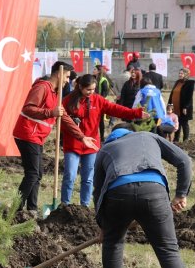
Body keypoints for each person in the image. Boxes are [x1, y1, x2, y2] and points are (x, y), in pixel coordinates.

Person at [92, 123, 195, 268]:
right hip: (154, 192)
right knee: (168, 250)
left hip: (117, 195)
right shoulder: (147, 136)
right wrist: (181, 194)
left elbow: (98, 192)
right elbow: (184, 160)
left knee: (113, 243)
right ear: (131, 132)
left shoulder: (105, 150)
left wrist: (104, 226)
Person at [12, 61, 98, 216]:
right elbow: (28, 108)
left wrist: (82, 137)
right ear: (58, 73)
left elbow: (63, 116)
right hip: (27, 133)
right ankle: (15, 209)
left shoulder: (55, 93)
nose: (67, 80)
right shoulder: (42, 87)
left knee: (37, 174)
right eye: (66, 76)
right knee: (32, 173)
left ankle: (32, 209)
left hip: (36, 136)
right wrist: (50, 113)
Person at [60, 74, 147, 206]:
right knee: (69, 177)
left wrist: (136, 113)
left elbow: (116, 109)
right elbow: (62, 121)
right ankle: (64, 205)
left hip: (91, 146)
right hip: (73, 144)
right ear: (80, 87)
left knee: (88, 179)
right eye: (88, 90)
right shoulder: (67, 100)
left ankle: (84, 206)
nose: (91, 92)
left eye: (93, 89)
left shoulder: (98, 100)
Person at [167, 68, 195, 142]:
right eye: (179, 73)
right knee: (177, 122)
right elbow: (172, 94)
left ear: (186, 74)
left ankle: (186, 140)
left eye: (182, 73)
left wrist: (185, 107)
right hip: (175, 106)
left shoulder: (189, 83)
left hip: (183, 107)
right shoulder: (177, 82)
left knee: (184, 123)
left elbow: (189, 97)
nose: (180, 75)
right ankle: (176, 139)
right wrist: (169, 104)